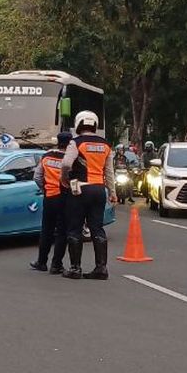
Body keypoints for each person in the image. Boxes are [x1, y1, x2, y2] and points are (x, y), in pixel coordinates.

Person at [61, 111, 116, 280]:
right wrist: (112, 193)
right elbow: (109, 172)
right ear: (95, 125)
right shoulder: (106, 145)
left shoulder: (76, 142)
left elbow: (66, 163)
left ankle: (75, 268)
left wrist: (64, 179)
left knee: (75, 227)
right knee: (97, 228)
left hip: (80, 190)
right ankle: (101, 268)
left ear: (78, 124)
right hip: (99, 190)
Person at [31, 132, 73, 274]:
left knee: (46, 231)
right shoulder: (70, 159)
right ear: (70, 143)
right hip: (65, 198)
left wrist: (45, 188)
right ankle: (56, 265)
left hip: (49, 197)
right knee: (62, 232)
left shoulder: (47, 156)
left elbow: (37, 177)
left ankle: (41, 262)